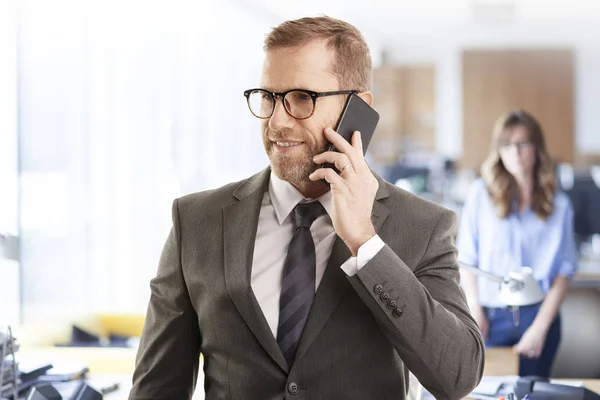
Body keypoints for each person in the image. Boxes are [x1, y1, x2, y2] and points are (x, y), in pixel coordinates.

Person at [129, 16, 484, 400]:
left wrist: (365, 241)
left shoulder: (422, 226)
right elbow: (156, 389)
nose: (277, 121)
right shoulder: (197, 222)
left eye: (302, 97)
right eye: (268, 97)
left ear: (358, 108)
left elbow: (459, 374)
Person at [458, 110, 578, 377]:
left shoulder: (559, 205)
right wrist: (474, 308)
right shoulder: (481, 194)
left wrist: (539, 328)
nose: (515, 152)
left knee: (532, 393)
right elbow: (467, 260)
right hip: (489, 317)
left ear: (537, 148)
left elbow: (564, 272)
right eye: (507, 145)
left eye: (523, 143)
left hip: (538, 316)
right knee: (489, 391)